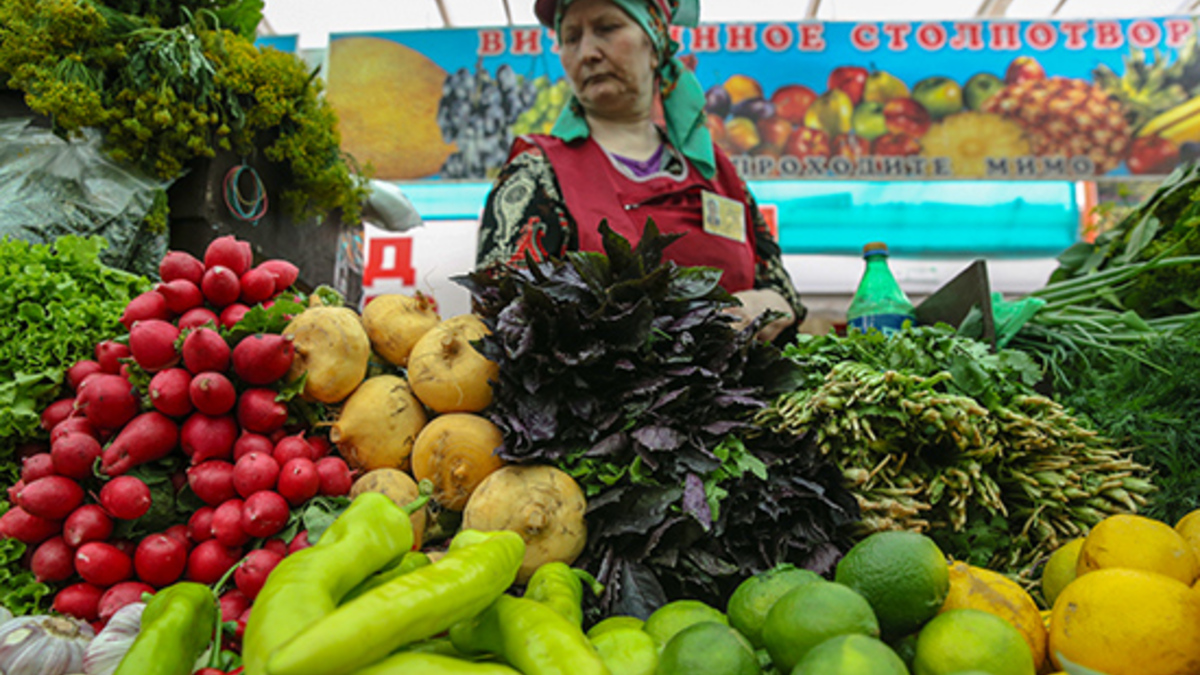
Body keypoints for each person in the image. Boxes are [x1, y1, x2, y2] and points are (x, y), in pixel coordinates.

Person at [475, 0, 804, 341]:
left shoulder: (717, 173)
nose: (587, 52)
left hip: (740, 391)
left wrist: (763, 303)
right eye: (571, 37)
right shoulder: (537, 173)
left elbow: (782, 290)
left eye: (607, 28)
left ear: (655, 42)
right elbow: (497, 315)